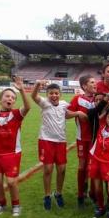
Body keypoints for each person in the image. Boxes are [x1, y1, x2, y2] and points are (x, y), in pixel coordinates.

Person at [31, 81, 85, 210]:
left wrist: (77, 113)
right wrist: (38, 85)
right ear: (47, 94)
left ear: (60, 94)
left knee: (62, 169)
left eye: (56, 93)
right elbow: (33, 96)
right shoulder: (44, 104)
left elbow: (66, 115)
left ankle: (58, 193)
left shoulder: (63, 105)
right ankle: (47, 195)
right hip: (46, 141)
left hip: (61, 141)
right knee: (48, 170)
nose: (54, 95)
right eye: (51, 93)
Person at [0, 76, 30, 216]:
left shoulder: (16, 115)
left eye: (12, 97)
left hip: (12, 154)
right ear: (0, 99)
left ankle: (16, 205)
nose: (9, 99)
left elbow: (27, 107)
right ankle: (2, 204)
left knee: (11, 182)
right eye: (7, 96)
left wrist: (21, 90)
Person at [68, 75, 96, 205]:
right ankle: (81, 193)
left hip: (97, 138)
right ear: (84, 86)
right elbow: (66, 114)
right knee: (82, 166)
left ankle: (93, 192)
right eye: (92, 82)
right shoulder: (77, 99)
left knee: (93, 167)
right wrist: (77, 113)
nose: (95, 84)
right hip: (82, 138)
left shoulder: (99, 98)